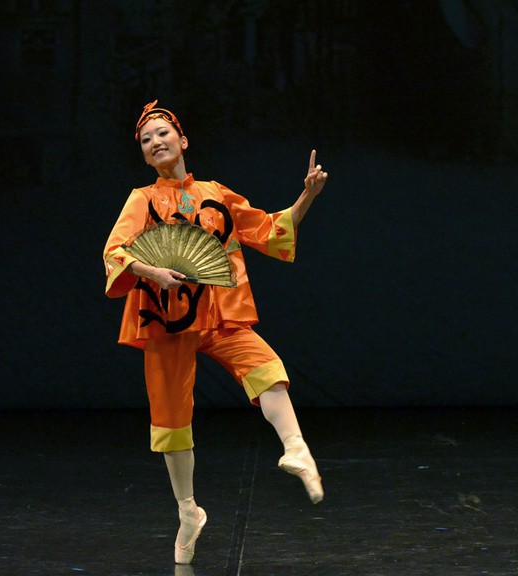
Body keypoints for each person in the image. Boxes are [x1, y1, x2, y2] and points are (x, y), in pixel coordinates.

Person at [103, 101, 329, 565]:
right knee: (170, 420)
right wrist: (155, 272)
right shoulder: (141, 199)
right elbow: (115, 252)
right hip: (167, 318)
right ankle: (188, 511)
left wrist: (307, 195)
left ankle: (297, 449)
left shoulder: (215, 194)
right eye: (146, 140)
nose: (155, 142)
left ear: (182, 140)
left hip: (219, 310)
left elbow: (269, 230)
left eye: (163, 133)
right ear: (143, 154)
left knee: (266, 367)